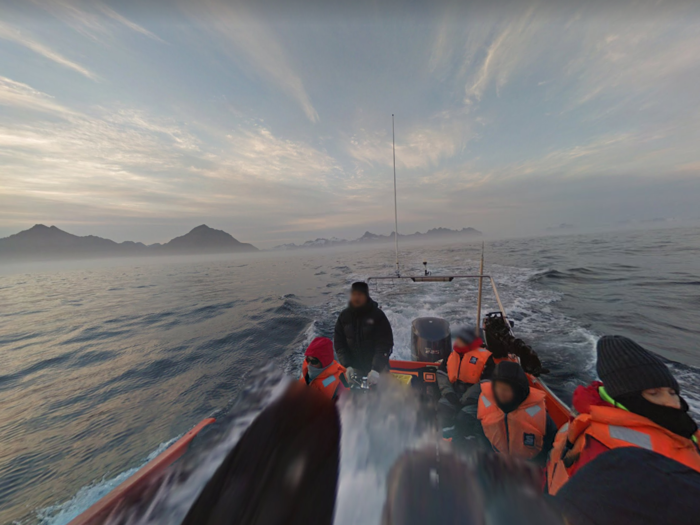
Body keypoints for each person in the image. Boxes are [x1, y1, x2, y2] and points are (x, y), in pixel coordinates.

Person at [547, 335, 700, 495]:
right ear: (625, 397)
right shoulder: (607, 454)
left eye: (672, 392)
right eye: (654, 393)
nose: (672, 403)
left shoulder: (681, 427)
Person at [457, 361, 558, 466]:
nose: (500, 393)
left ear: (517, 391)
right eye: (497, 388)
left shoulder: (539, 415)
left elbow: (552, 443)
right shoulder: (487, 408)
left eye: (505, 389)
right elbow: (482, 432)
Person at [334, 281, 394, 386]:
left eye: (359, 295)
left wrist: (376, 369)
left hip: (378, 369)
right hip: (355, 369)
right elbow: (340, 344)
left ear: (366, 296)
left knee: (383, 396)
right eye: (354, 295)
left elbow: (384, 344)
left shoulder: (378, 316)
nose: (356, 298)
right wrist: (347, 365)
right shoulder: (344, 316)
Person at [437, 327, 494, 435]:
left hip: (477, 399)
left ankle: (466, 441)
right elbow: (442, 374)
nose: (457, 342)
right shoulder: (451, 355)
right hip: (454, 393)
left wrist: (467, 398)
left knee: (464, 417)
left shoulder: (485, 357)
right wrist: (448, 392)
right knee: (443, 408)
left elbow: (486, 382)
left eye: (461, 339)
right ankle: (443, 437)